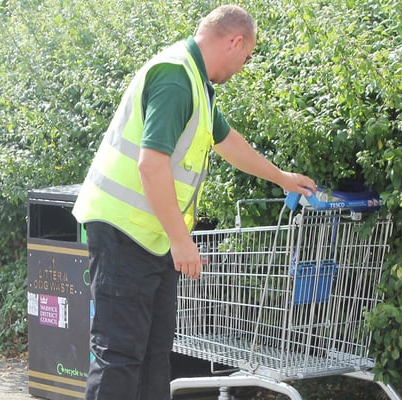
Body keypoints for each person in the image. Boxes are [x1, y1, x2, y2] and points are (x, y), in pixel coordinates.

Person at [72, 4, 316, 400]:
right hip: (124, 230)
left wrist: (282, 178)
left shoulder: (197, 84)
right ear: (235, 41)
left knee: (153, 354)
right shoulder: (176, 78)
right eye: (247, 56)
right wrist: (182, 240)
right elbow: (151, 166)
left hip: (154, 236)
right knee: (119, 354)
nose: (242, 66)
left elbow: (228, 141)